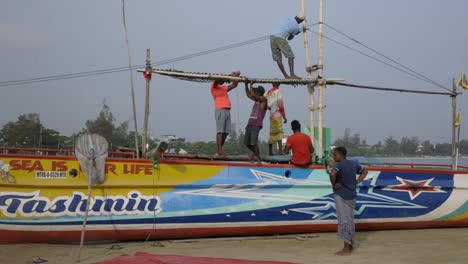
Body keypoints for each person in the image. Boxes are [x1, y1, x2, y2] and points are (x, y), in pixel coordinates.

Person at [329, 146, 368, 256]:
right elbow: (365, 171)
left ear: (340, 155)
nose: (333, 156)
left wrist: (334, 185)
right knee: (349, 219)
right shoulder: (352, 164)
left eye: (334, 154)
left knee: (343, 220)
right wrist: (356, 182)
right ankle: (350, 245)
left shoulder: (338, 165)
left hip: (341, 195)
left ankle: (346, 249)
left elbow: (332, 174)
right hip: (352, 195)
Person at [210, 71, 241, 157]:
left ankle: (219, 150)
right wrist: (228, 76)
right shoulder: (214, 86)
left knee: (226, 132)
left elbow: (234, 85)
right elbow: (218, 80)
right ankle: (220, 151)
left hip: (227, 110)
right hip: (220, 110)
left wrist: (236, 76)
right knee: (220, 131)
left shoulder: (223, 88)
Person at [270, 14, 306, 79]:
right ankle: (292, 75)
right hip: (280, 38)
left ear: (296, 16)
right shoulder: (296, 27)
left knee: (278, 59)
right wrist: (299, 31)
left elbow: (284, 25)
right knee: (291, 56)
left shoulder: (288, 17)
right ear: (300, 21)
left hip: (272, 36)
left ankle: (286, 76)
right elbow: (289, 38)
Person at [244, 81, 267, 164]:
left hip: (256, 124)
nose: (254, 92)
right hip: (250, 123)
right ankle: (255, 153)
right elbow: (248, 94)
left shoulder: (263, 99)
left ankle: (258, 159)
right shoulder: (256, 100)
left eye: (256, 91)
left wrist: (250, 84)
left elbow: (253, 95)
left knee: (253, 143)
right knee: (247, 143)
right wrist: (245, 84)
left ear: (259, 93)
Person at [266, 80, 287, 155]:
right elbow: (280, 104)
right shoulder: (279, 91)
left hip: (271, 115)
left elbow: (267, 105)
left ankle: (270, 151)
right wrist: (284, 116)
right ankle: (280, 151)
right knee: (279, 132)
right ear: (278, 84)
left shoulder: (269, 92)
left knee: (272, 132)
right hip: (277, 114)